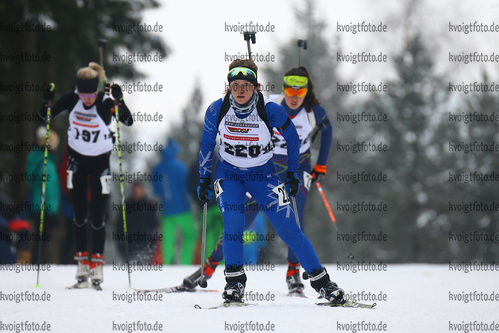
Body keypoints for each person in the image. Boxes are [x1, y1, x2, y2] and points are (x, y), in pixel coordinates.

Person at [196, 58, 343, 304]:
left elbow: (293, 140)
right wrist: (203, 179)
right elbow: (207, 145)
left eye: (246, 85)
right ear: (229, 87)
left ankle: (323, 283)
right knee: (234, 224)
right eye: (235, 85)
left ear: (256, 86)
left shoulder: (270, 109)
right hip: (228, 175)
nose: (240, 91)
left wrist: (294, 174)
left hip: (263, 176)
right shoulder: (216, 109)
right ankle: (234, 283)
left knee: (290, 229)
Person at [38, 62, 133, 289]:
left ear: (97, 90)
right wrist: (47, 100)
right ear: (77, 90)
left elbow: (127, 120)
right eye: (83, 93)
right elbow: (45, 116)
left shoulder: (104, 103)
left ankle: (97, 266)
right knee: (78, 215)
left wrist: (119, 101)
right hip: (76, 162)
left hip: (100, 164)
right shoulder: (72, 99)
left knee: (97, 218)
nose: (87, 98)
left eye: (91, 93)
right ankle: (82, 265)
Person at [151, 139, 196, 265]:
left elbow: (156, 191)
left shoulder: (156, 169)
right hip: (183, 209)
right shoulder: (180, 166)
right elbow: (187, 187)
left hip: (166, 211)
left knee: (167, 240)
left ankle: (167, 265)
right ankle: (184, 263)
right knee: (190, 235)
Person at [25, 127, 61, 264]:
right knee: (42, 239)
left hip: (37, 206)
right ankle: (37, 263)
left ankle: (37, 262)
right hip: (44, 208)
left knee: (40, 239)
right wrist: (52, 210)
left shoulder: (38, 160)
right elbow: (48, 190)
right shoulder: (47, 164)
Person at [116, 182, 160, 263]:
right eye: (135, 190)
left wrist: (152, 243)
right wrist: (121, 243)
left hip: (146, 246)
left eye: (139, 190)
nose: (137, 192)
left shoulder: (149, 205)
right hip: (129, 247)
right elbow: (120, 225)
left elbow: (155, 225)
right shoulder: (126, 205)